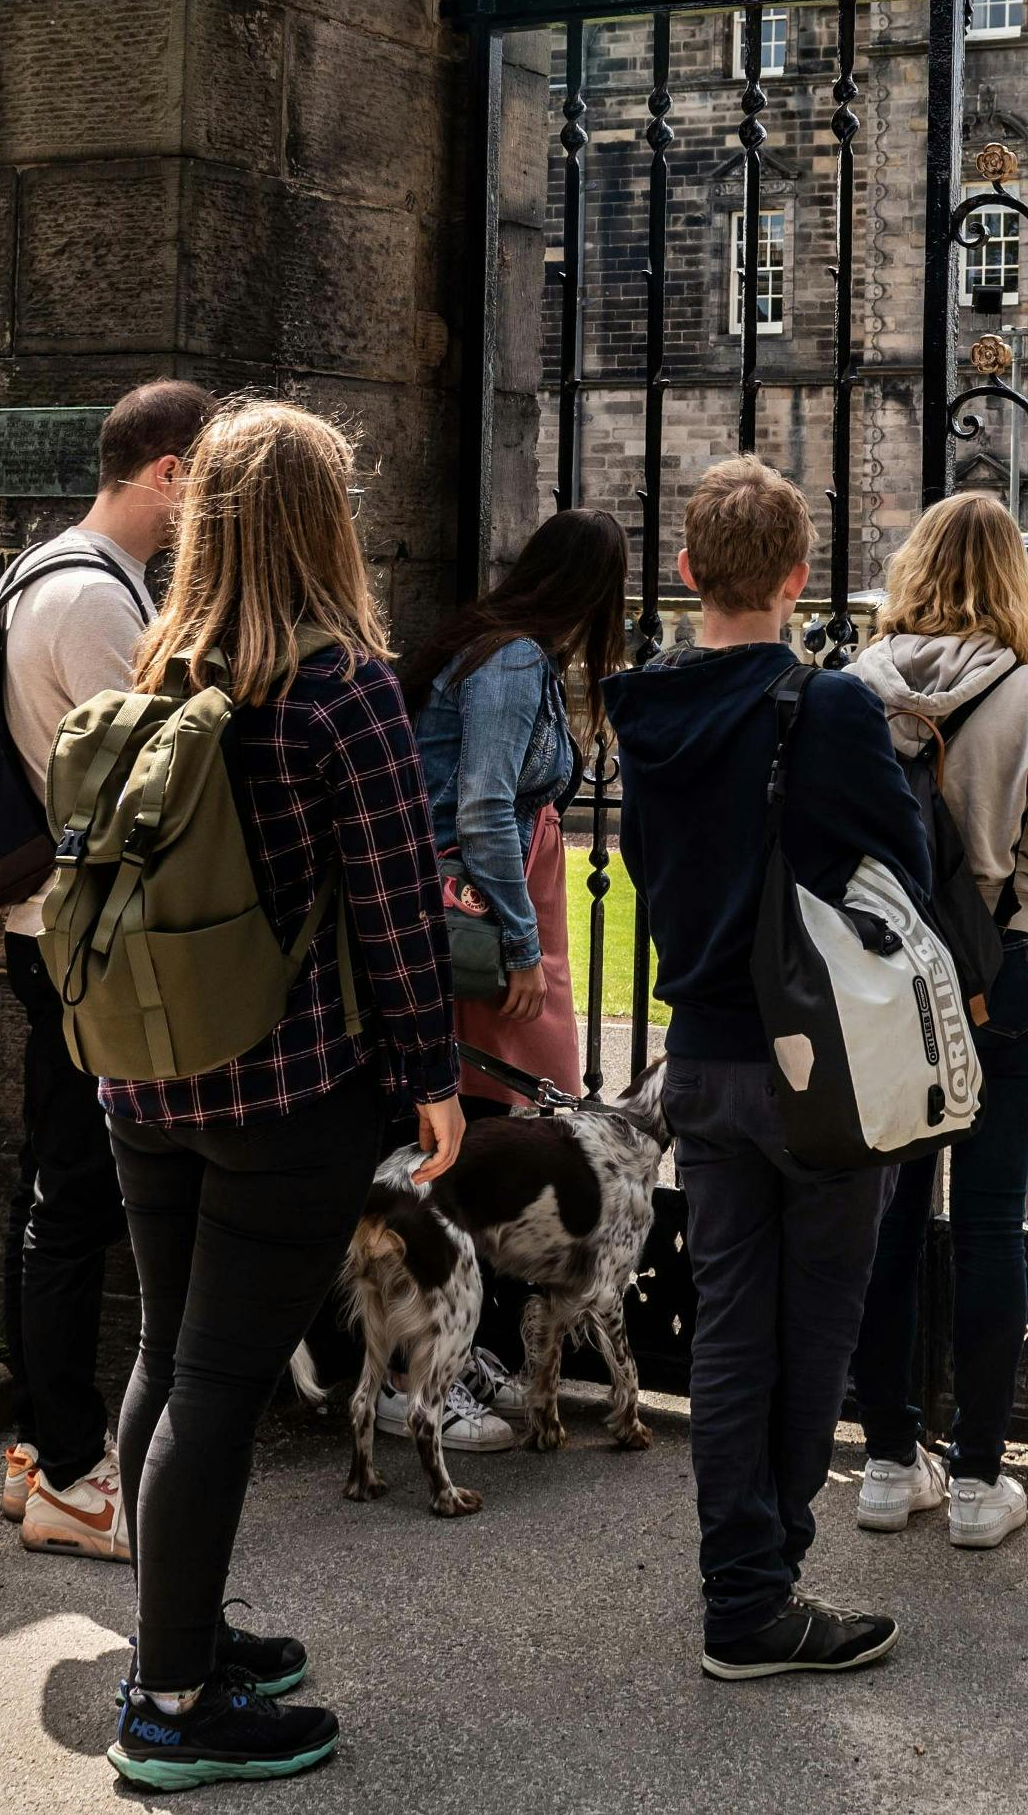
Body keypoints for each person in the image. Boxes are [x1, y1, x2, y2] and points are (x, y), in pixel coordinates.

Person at [97, 397, 465, 1792]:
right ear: (327, 520)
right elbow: (393, 906)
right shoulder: (339, 685)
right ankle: (173, 1702)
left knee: (164, 1360)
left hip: (142, 1075)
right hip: (289, 1092)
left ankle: (173, 1636)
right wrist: (432, 1077)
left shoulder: (153, 659)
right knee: (215, 1378)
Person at [607, 457, 927, 1682]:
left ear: (688, 571)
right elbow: (898, 870)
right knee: (816, 1325)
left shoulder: (644, 708)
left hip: (701, 1053)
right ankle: (757, 1593)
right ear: (798, 578)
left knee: (735, 1326)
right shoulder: (822, 706)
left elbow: (648, 864)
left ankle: (737, 1577)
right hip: (818, 1064)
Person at [841, 493, 1028, 1552]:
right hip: (1001, 972)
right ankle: (984, 1480)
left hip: (885, 980)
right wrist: (1008, 891)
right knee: (990, 1218)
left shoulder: (856, 684)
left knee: (890, 1218)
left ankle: (888, 1461)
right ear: (1013, 578)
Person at [0, 378, 207, 1562]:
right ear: (168, 473)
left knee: (55, 1194)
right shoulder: (92, 602)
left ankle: (38, 1444)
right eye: (203, 480)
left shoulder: (54, 571)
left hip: (47, 930)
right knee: (73, 1205)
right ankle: (75, 1475)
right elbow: (156, 789)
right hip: (75, 940)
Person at [392, 504, 632, 1443]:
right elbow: (485, 807)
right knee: (493, 1123)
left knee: (489, 1122)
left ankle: (462, 1346)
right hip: (483, 915)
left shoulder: (495, 644)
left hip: (493, 902)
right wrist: (524, 945)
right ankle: (427, 1366)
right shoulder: (516, 659)